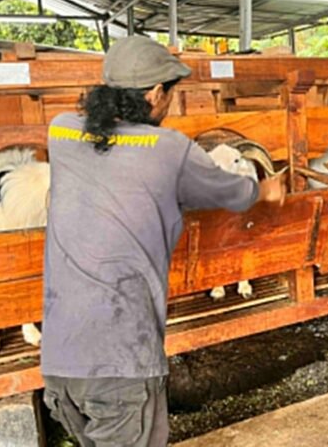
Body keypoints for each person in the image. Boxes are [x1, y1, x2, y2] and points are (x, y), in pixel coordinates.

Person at [40, 36, 286, 447]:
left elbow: (110, 153)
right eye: (170, 93)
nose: (169, 103)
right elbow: (234, 194)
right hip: (122, 361)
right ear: (155, 94)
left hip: (61, 363)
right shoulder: (171, 149)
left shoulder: (60, 132)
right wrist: (265, 190)